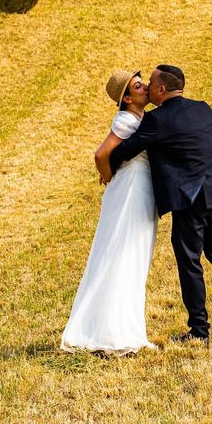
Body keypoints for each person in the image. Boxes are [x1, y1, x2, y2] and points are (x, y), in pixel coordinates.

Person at [109, 64, 212, 344]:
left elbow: (125, 151)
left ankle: (199, 331)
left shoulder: (155, 120)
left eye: (151, 83)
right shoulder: (202, 109)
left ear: (162, 90)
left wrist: (107, 171)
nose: (149, 87)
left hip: (188, 201)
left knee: (190, 262)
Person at [61, 70, 157, 355]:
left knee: (134, 255)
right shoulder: (126, 119)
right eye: (138, 86)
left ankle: (123, 327)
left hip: (141, 186)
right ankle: (116, 333)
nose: (146, 86)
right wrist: (110, 176)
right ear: (127, 98)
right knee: (123, 252)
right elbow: (101, 154)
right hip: (130, 188)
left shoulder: (141, 118)